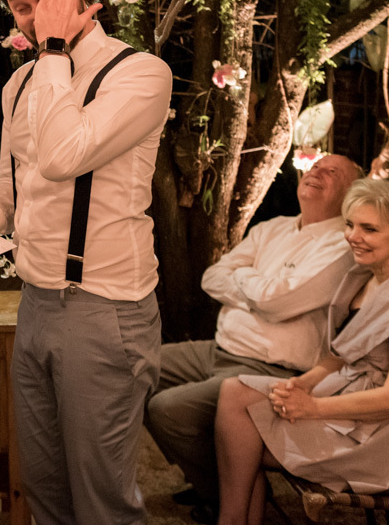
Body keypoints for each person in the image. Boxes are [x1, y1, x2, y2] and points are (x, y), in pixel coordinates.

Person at [0, 0, 172, 525]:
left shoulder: (140, 74)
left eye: (40, 1)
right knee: (43, 491)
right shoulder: (21, 82)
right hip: (35, 303)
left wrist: (53, 52)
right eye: (18, 7)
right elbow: (14, 181)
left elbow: (63, 154)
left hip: (105, 310)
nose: (27, 20)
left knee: (101, 503)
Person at [214, 179, 389, 525]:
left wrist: (312, 407)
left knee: (245, 440)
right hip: (355, 399)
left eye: (369, 229)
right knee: (233, 392)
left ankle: (232, 520)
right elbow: (343, 355)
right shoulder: (369, 274)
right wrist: (305, 383)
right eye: (350, 224)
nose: (352, 236)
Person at [146, 153, 362, 522]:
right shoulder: (273, 227)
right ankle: (214, 480)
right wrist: (260, 292)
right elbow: (212, 277)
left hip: (273, 366)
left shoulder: (342, 246)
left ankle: (231, 496)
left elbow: (278, 303)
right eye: (314, 166)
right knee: (138, 369)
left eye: (331, 172)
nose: (316, 173)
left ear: (350, 192)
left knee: (168, 410)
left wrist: (248, 282)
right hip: (219, 348)